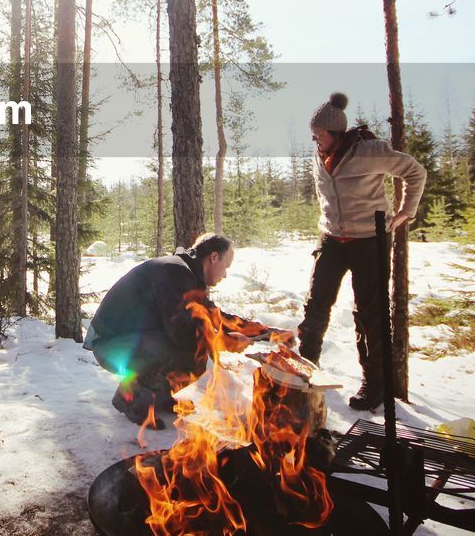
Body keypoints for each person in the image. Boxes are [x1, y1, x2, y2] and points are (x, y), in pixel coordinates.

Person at [296, 92, 427, 412]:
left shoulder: (369, 152)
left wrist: (404, 213)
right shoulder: (319, 155)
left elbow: (415, 172)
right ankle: (302, 372)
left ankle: (375, 383)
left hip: (369, 241)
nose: (315, 141)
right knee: (315, 307)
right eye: (313, 135)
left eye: (319, 135)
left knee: (369, 314)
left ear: (336, 133)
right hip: (331, 240)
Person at [84, 233, 284, 430]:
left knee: (194, 355)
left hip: (133, 341)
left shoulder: (186, 276)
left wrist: (266, 332)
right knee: (187, 351)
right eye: (226, 267)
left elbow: (215, 315)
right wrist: (225, 342)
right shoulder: (174, 272)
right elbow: (182, 333)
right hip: (111, 345)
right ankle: (130, 398)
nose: (225, 274)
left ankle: (157, 397)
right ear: (214, 257)